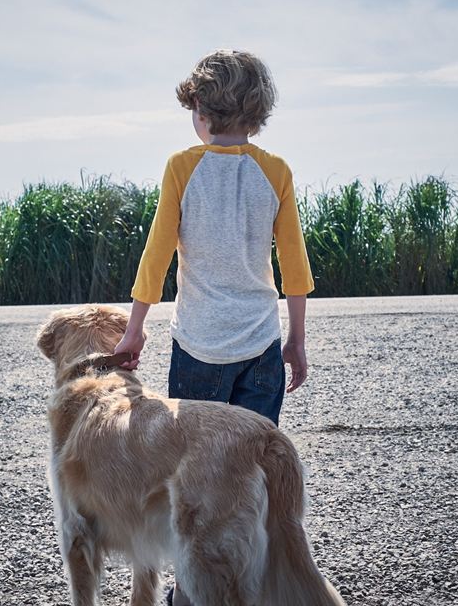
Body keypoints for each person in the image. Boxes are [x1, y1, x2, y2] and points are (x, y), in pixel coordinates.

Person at [113, 48, 314, 428]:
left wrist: (134, 330)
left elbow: (156, 257)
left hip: (198, 345)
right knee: (254, 460)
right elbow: (294, 266)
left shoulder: (181, 167)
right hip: (261, 343)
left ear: (201, 107)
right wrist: (296, 340)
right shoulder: (276, 171)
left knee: (194, 465)